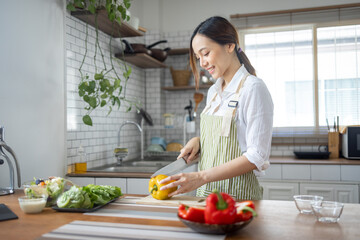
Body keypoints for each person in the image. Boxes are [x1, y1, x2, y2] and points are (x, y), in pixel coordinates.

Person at [160, 16, 274, 200]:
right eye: (198, 57)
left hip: (238, 198)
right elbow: (222, 138)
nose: (202, 63)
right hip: (205, 196)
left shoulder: (253, 88)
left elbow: (257, 156)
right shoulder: (214, 91)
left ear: (229, 45)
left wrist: (200, 176)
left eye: (205, 54)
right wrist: (199, 141)